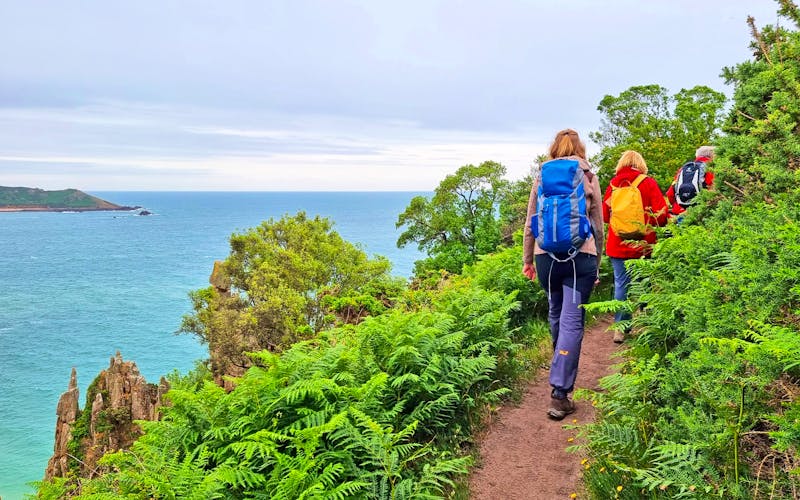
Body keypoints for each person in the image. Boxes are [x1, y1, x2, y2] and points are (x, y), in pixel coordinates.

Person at [522, 129, 603, 420]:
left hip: (547, 260)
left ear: (553, 148)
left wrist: (527, 260)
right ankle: (560, 393)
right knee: (572, 320)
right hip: (580, 258)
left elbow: (531, 223)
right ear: (580, 148)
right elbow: (598, 225)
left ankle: (560, 362)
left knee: (556, 313)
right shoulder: (588, 176)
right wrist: (598, 261)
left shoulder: (542, 176)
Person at [602, 150, 668, 343]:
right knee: (644, 283)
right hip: (643, 245)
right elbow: (661, 214)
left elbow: (606, 217)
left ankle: (621, 329)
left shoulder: (613, 185)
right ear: (641, 164)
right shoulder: (647, 183)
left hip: (617, 244)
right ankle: (649, 326)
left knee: (621, 285)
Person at [665, 145, 715, 217]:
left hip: (679, 212)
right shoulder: (711, 169)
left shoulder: (683, 169)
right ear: (712, 156)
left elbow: (670, 193)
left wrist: (679, 205)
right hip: (701, 213)